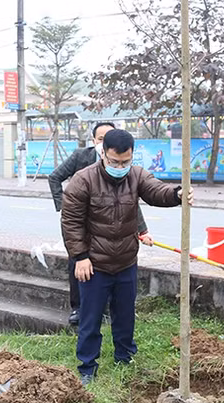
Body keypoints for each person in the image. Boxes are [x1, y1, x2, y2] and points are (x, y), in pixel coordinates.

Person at [61, 129, 193, 385]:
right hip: (94, 264)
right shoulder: (83, 180)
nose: (120, 167)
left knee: (125, 314)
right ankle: (87, 366)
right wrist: (80, 257)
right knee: (90, 317)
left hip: (125, 261)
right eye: (115, 162)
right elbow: (71, 221)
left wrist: (176, 194)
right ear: (103, 154)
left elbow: (156, 191)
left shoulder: (136, 175)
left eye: (125, 161)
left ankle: (125, 355)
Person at [49, 122, 153, 326]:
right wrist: (64, 205)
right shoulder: (81, 158)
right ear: (96, 143)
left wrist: (142, 229)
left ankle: (105, 311)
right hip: (84, 226)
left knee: (110, 278)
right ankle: (78, 308)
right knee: (79, 265)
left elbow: (130, 203)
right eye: (100, 139)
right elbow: (55, 177)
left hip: (111, 231)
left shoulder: (126, 170)